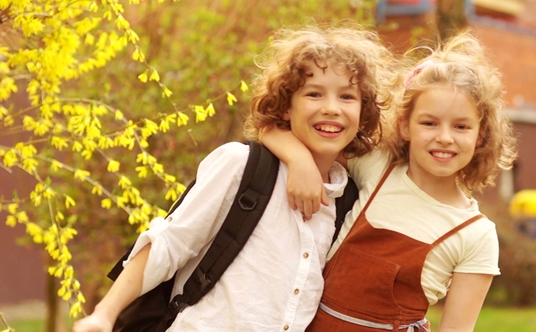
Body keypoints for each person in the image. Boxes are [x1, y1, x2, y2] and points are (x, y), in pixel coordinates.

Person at [72, 23, 399, 332]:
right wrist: (104, 314)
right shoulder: (242, 165)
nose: (331, 108)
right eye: (313, 94)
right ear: (286, 107)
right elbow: (169, 243)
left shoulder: (347, 199)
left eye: (347, 97)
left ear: (363, 110)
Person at [260, 30, 518, 331]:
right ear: (404, 125)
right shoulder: (378, 167)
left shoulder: (476, 234)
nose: (444, 138)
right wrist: (299, 161)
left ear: (481, 135)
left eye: (461, 126)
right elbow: (271, 130)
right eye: (429, 122)